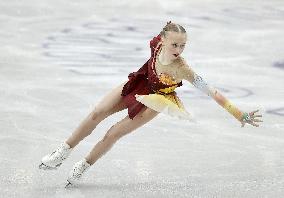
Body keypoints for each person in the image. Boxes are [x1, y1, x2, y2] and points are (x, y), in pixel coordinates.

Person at [39, 21, 263, 187]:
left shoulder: (182, 68)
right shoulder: (156, 43)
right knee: (98, 112)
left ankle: (84, 165)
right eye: (175, 44)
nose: (178, 49)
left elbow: (212, 92)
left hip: (156, 99)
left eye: (183, 46)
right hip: (140, 80)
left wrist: (238, 114)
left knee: (112, 133)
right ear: (163, 39)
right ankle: (63, 151)